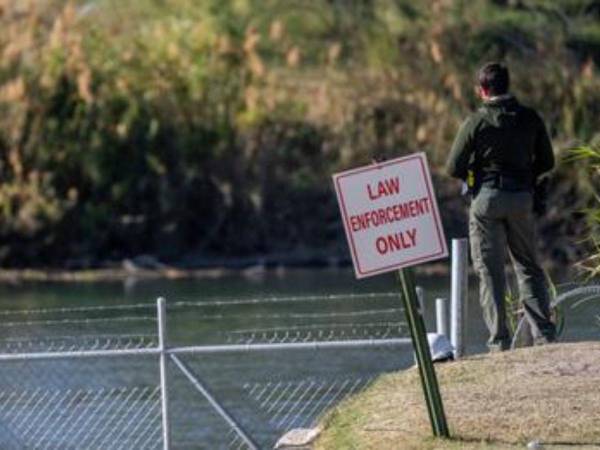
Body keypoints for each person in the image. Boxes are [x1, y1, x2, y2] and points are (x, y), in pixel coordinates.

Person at [445, 62, 556, 351]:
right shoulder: (530, 118)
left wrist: (475, 169)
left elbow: (452, 167)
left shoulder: (476, 122)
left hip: (487, 200)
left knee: (490, 271)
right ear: (508, 85)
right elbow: (548, 162)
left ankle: (499, 342)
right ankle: (544, 335)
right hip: (521, 199)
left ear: (482, 90)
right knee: (528, 267)